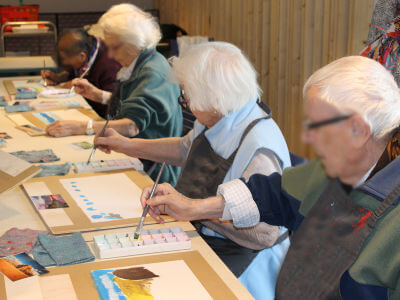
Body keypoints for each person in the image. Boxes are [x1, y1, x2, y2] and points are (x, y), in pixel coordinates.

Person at [139, 56, 400, 299]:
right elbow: (273, 194)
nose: (308, 137)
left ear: (361, 131)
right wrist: (191, 207)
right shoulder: (335, 168)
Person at [94, 41, 292, 298]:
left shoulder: (260, 147)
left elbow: (264, 234)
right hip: (208, 238)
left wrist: (191, 207)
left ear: (214, 99)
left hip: (244, 263)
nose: (184, 103)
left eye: (186, 96)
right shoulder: (222, 114)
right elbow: (185, 148)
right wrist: (126, 145)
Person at [46, 4, 183, 185]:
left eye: (114, 47)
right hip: (137, 160)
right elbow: (132, 104)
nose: (109, 54)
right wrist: (98, 95)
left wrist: (80, 127)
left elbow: (131, 126)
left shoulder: (152, 72)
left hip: (152, 174)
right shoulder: (140, 64)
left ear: (133, 44)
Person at [41, 28, 121, 118]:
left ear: (82, 56)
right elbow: (75, 71)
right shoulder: (88, 49)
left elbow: (114, 104)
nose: (65, 64)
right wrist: (58, 77)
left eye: (66, 60)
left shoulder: (109, 65)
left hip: (103, 117)